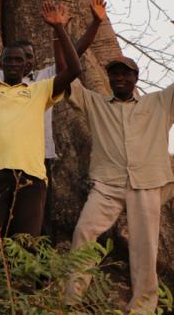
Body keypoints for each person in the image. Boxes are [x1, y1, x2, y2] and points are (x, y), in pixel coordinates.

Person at [0, 0, 107, 234]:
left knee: (31, 231)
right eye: (10, 59)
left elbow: (73, 64)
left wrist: (63, 28)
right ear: (2, 62)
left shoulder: (41, 85)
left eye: (24, 58)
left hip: (35, 165)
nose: (18, 63)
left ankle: (32, 271)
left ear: (32, 61)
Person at [64, 55, 174, 313]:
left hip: (145, 182)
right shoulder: (96, 103)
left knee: (144, 246)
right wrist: (59, 32)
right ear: (108, 78)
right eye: (115, 74)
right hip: (107, 183)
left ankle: (143, 306)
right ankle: (71, 298)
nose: (120, 78)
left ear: (135, 78)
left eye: (126, 74)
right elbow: (68, 76)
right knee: (84, 231)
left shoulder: (159, 101)